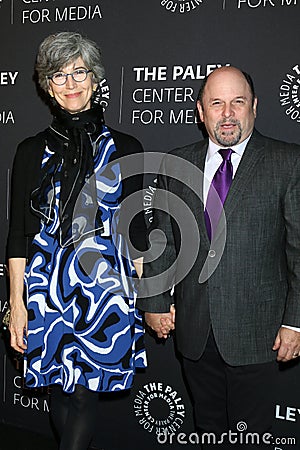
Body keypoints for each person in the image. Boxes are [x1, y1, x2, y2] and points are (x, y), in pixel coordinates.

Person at [137, 66, 300, 448]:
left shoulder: (287, 162)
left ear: (255, 107)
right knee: (207, 429)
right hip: (195, 331)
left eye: (237, 102)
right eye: (216, 104)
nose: (227, 113)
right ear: (200, 111)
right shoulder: (176, 163)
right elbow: (163, 240)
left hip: (259, 334)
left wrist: (296, 322)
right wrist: (155, 302)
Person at [7, 31, 147, 450]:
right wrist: (17, 306)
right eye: (59, 75)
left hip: (103, 292)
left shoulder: (126, 147)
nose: (71, 83)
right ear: (48, 87)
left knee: (84, 396)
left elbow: (136, 233)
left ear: (95, 78)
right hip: (45, 290)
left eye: (79, 72)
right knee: (58, 394)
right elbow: (18, 235)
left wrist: (140, 302)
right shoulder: (30, 150)